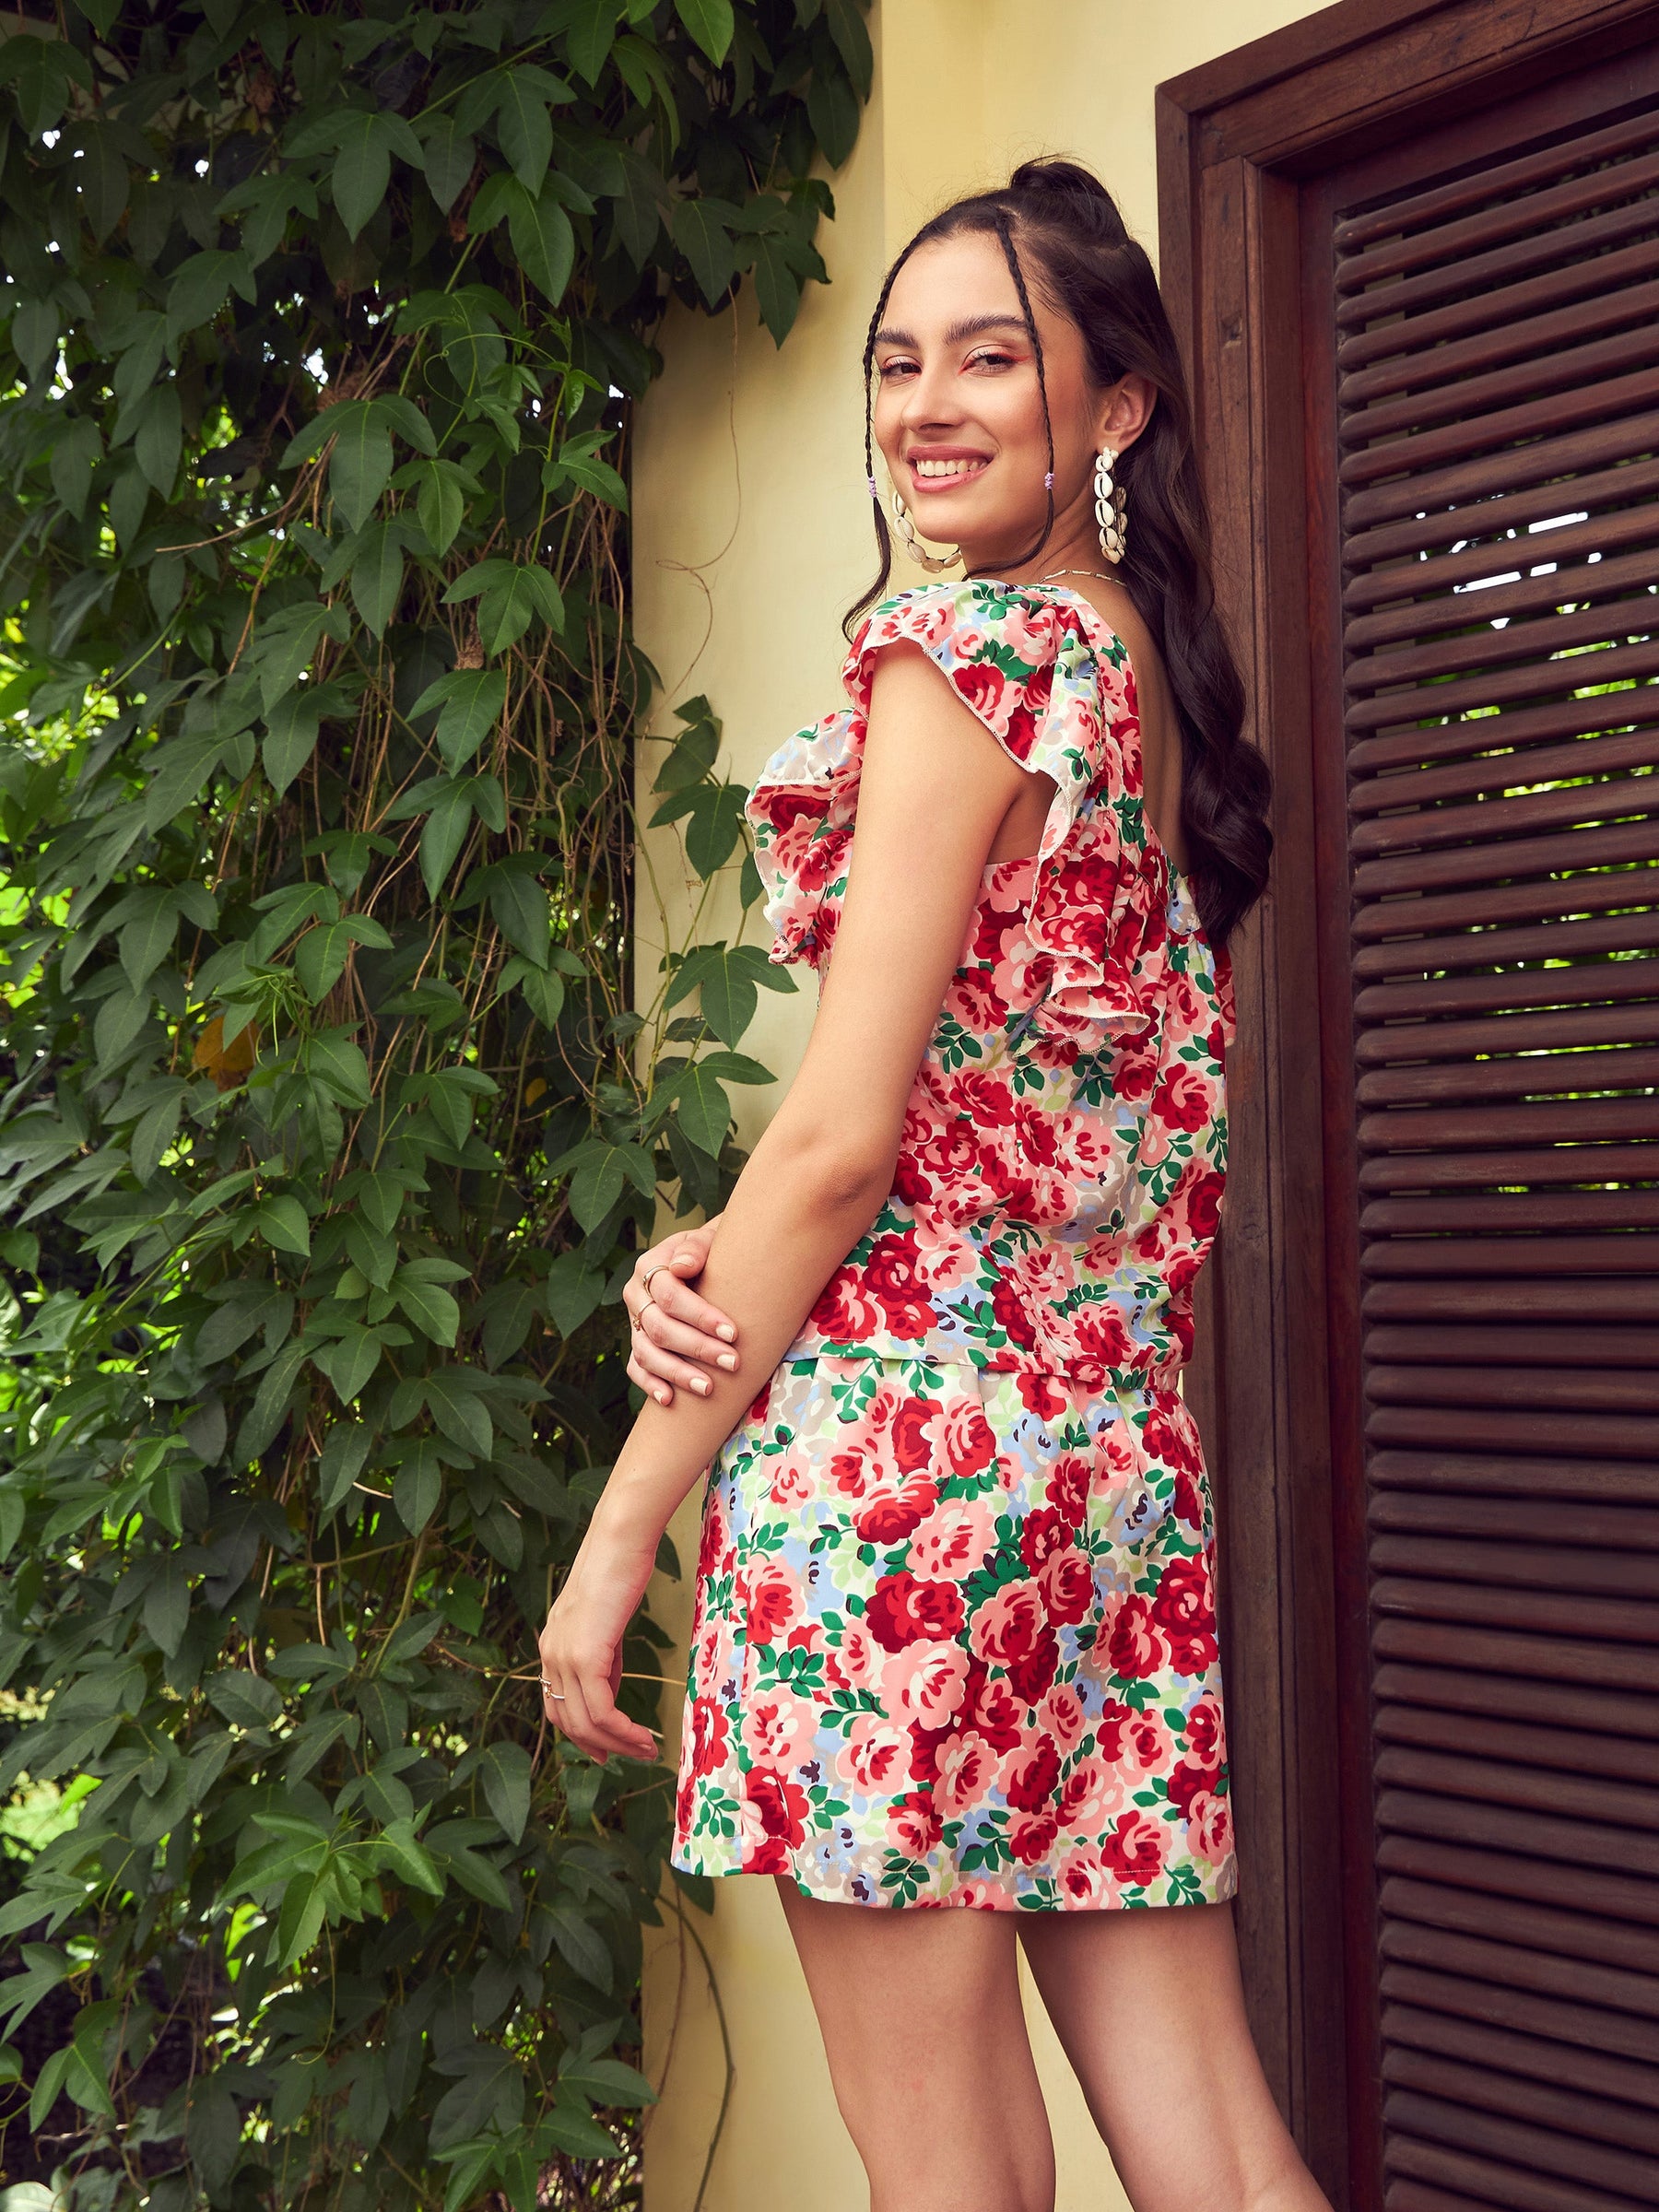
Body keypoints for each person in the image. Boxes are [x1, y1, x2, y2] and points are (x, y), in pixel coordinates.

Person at [537, 159, 1328, 2212]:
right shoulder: (1126, 673)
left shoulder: (958, 657)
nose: (928, 406)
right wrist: (720, 1234)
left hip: (907, 1480)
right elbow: (995, 1117)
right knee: (1226, 2160)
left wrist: (624, 1529)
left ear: (1117, 407)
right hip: (1100, 1470)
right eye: (900, 364)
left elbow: (846, 1135)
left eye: (995, 356)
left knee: (947, 2182)